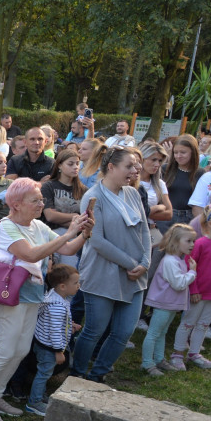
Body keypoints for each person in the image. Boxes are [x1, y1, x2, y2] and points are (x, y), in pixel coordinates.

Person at [0, 177, 90, 421]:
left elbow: (66, 250)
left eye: (41, 199)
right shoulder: (6, 226)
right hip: (10, 295)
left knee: (21, 350)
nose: (41, 204)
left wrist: (83, 233)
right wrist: (68, 232)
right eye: (35, 200)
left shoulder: (37, 225)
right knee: (4, 350)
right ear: (16, 203)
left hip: (33, 295)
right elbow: (31, 254)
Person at [71, 147, 150, 382]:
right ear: (111, 167)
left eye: (136, 166)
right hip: (102, 273)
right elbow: (96, 240)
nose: (135, 170)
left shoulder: (133, 193)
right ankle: (77, 374)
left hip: (136, 273)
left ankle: (98, 375)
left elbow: (145, 229)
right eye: (130, 166)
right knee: (94, 331)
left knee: (124, 332)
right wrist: (130, 263)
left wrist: (145, 262)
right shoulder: (93, 196)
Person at [25, 264, 81, 416]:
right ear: (62, 286)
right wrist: (59, 351)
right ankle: (34, 402)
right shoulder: (57, 305)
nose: (78, 286)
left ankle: (39, 396)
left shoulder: (53, 297)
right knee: (44, 373)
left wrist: (70, 325)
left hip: (42, 343)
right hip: (49, 347)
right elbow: (55, 330)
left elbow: (55, 322)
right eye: (75, 283)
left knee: (43, 371)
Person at [170, 206, 211, 371]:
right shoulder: (200, 243)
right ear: (210, 224)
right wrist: (194, 290)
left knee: (204, 324)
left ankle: (194, 353)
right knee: (188, 323)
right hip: (198, 293)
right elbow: (189, 267)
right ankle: (177, 354)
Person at [143, 224, 197, 376]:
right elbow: (179, 284)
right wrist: (193, 273)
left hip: (170, 305)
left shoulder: (178, 260)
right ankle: (147, 363)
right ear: (175, 241)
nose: (192, 245)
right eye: (188, 241)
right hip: (163, 304)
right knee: (154, 333)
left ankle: (159, 359)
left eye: (193, 241)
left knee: (162, 332)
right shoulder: (170, 261)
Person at [41, 149, 87, 266]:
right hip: (52, 233)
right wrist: (75, 216)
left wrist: (62, 218)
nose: (75, 167)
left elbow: (85, 220)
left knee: (68, 270)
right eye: (70, 164)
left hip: (75, 236)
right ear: (60, 165)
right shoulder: (49, 186)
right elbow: (50, 216)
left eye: (77, 163)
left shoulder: (83, 190)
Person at [161, 134, 201, 233]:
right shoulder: (166, 169)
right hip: (166, 217)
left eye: (183, 152)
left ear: (193, 152)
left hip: (188, 218)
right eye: (175, 152)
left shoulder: (200, 173)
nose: (178, 156)